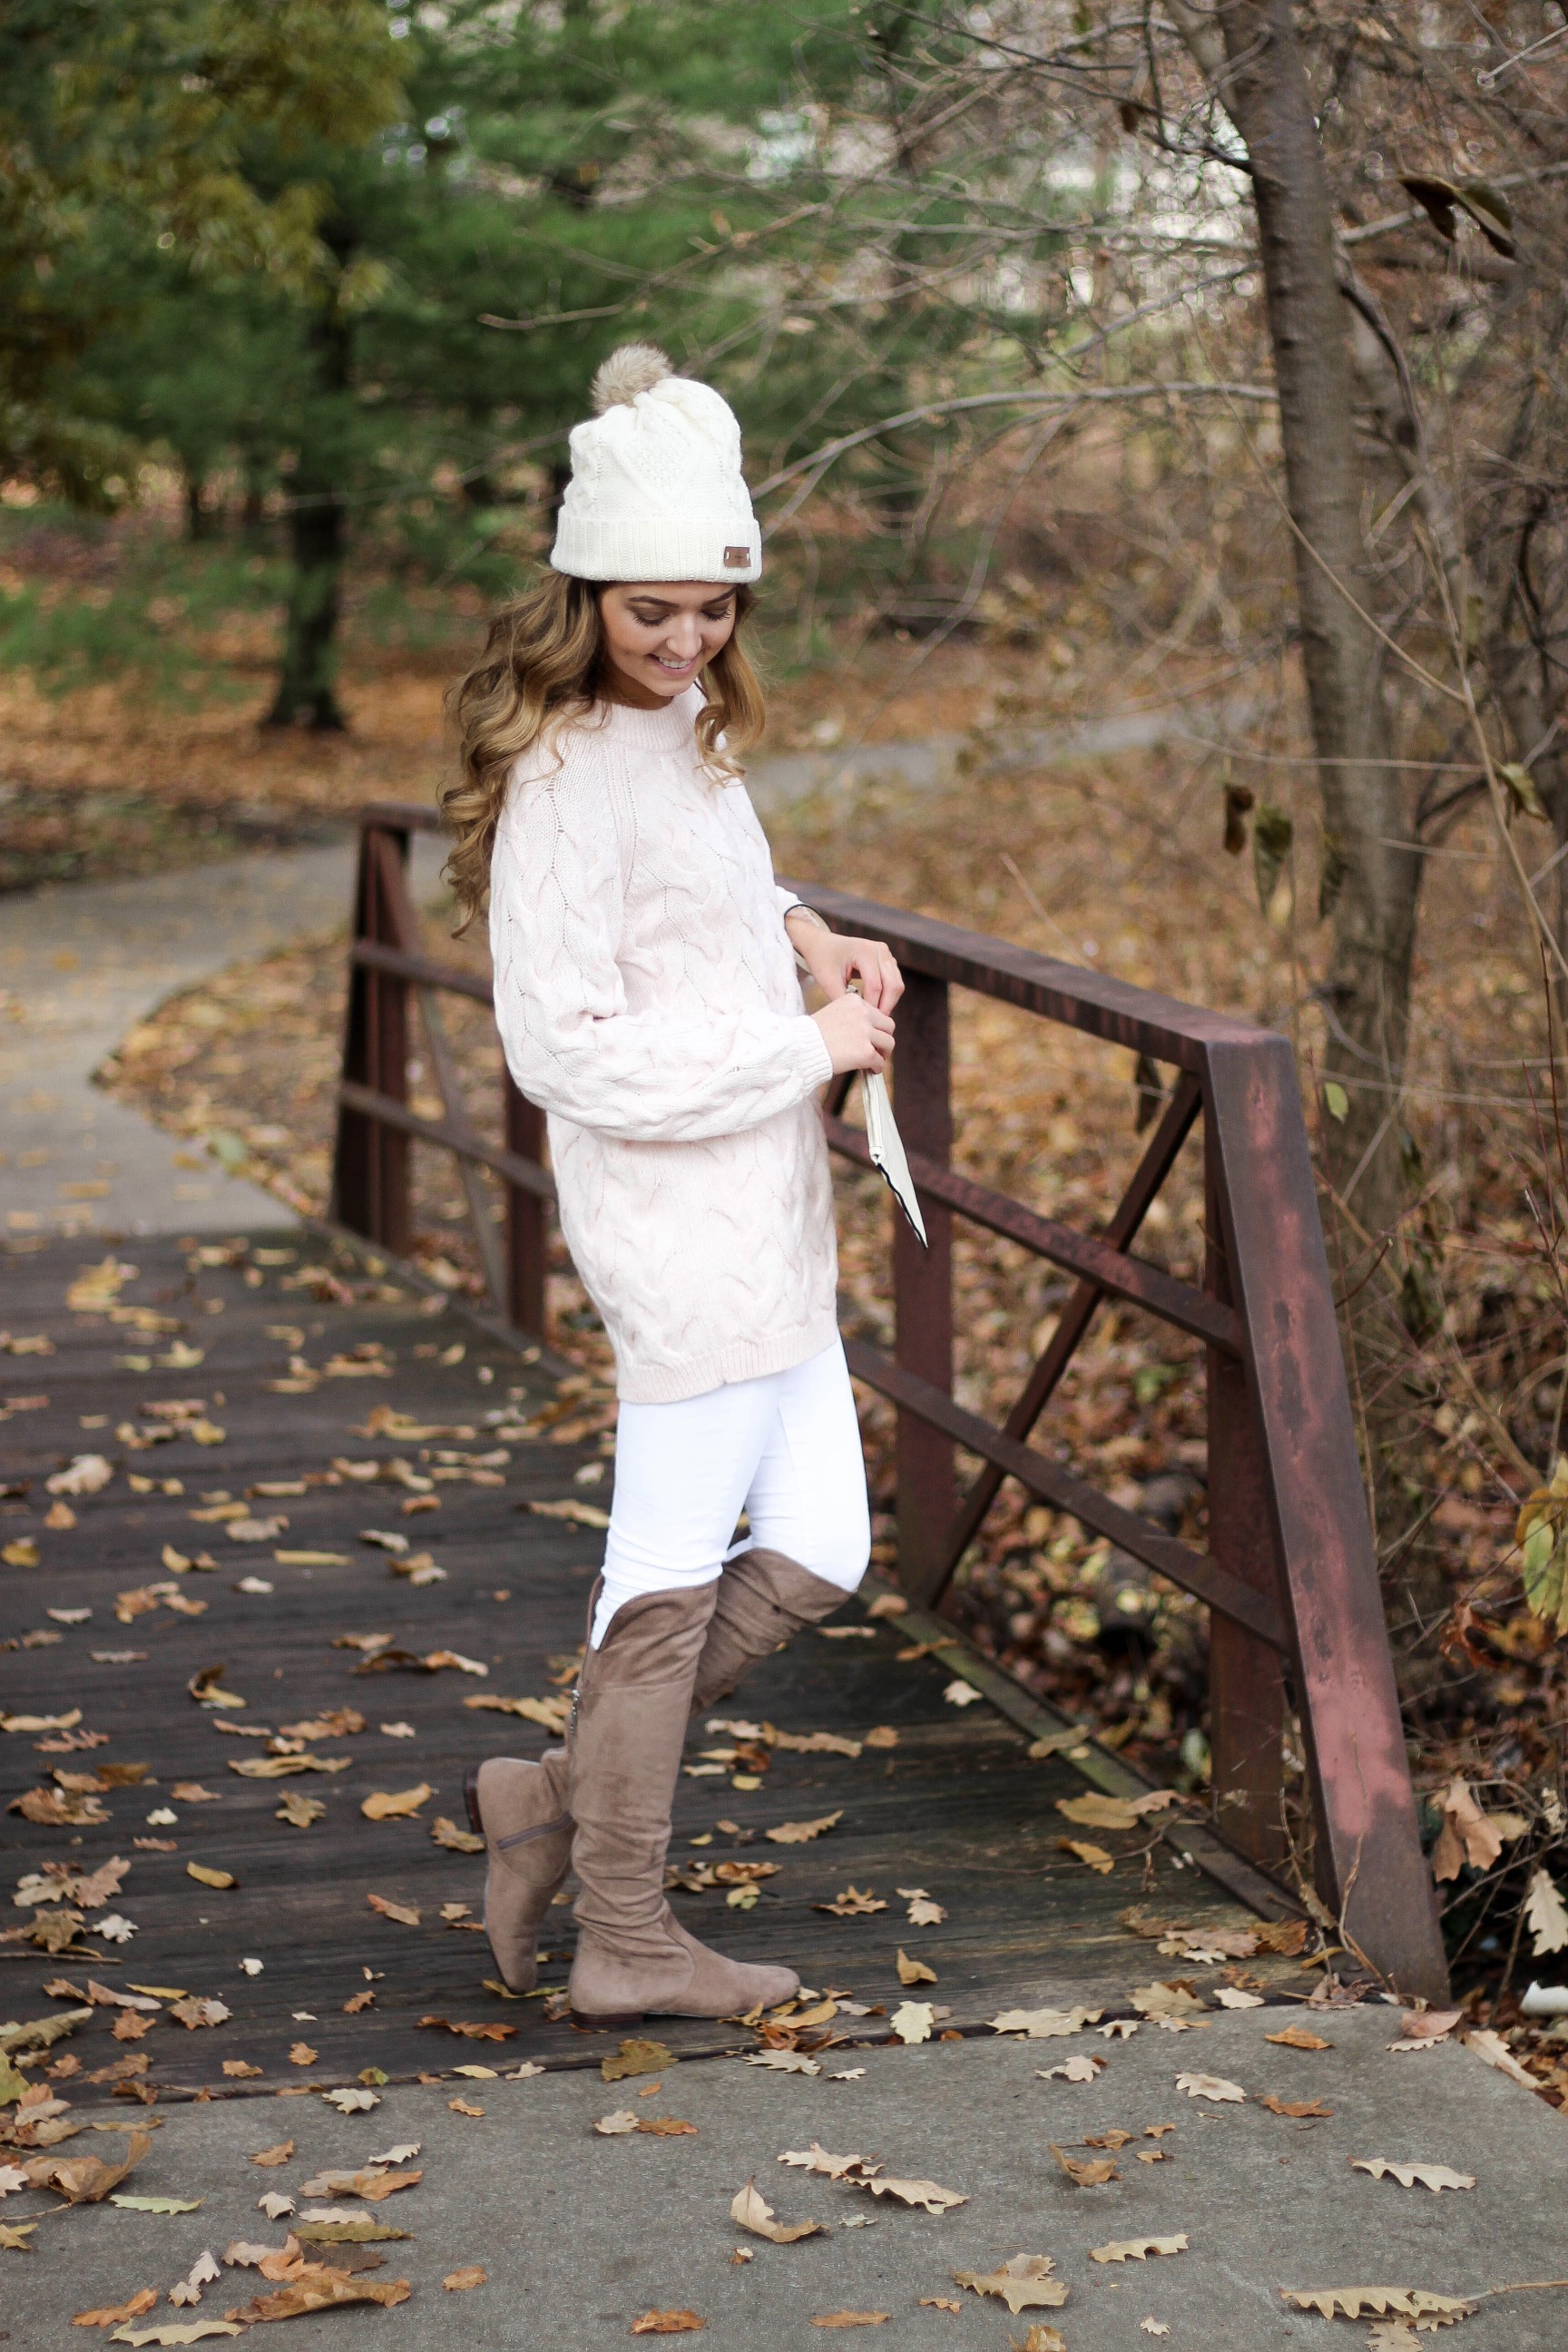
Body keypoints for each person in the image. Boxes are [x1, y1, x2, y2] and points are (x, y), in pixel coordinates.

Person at [440, 344, 903, 2028]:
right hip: (673, 1220)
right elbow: (560, 1050)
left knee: (828, 1549)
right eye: (653, 614)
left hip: (768, 1208)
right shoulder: (564, 778)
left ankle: (560, 1801)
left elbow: (740, 874)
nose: (688, 641)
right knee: (663, 1579)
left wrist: (812, 942)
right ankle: (624, 1931)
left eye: (712, 611)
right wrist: (812, 1054)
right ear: (583, 595)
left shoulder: (691, 730)